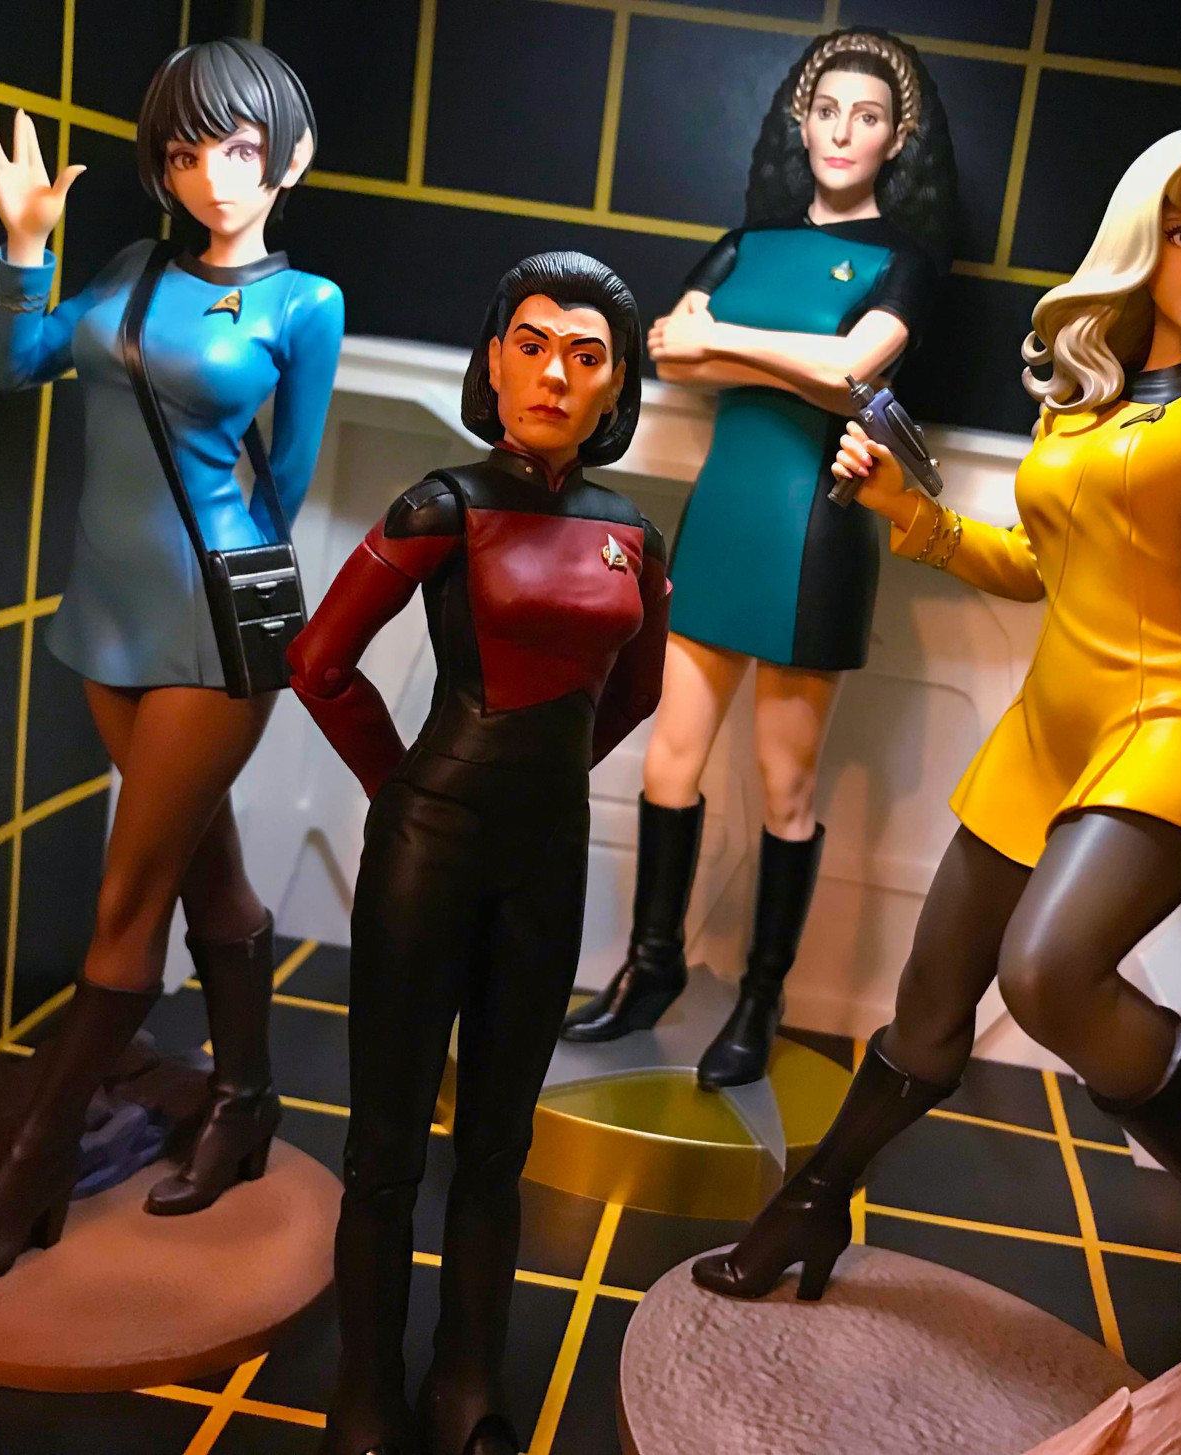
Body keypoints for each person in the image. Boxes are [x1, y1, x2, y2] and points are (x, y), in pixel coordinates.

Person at [693, 127, 1181, 1417]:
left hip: (1179, 721)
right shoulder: (1086, 384)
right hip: (1049, 731)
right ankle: (810, 1208)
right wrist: (909, 517)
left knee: (1049, 972)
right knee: (924, 1014)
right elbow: (1035, 565)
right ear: (1141, 235)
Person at [0, 39, 342, 1288]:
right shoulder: (126, 269)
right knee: (201, 865)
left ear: (287, 159)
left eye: (239, 148)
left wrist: (239, 594)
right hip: (105, 611)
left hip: (213, 624)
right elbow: (13, 366)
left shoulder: (302, 303)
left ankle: (36, 1164)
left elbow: (287, 480)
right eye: (183, 151)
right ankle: (246, 1100)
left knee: (126, 902)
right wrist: (25, 246)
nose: (212, 176)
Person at [288, 253, 668, 1455]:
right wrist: (402, 789)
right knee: (385, 1144)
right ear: (493, 360)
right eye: (532, 344)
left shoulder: (633, 534)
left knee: (501, 1145)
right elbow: (318, 663)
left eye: (586, 355)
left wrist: (541, 786)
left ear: (617, 386)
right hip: (430, 849)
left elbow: (639, 690)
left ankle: (466, 1386)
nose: (555, 373)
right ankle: (363, 1396)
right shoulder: (439, 504)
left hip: (546, 855)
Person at [562, 27, 960, 1091]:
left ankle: (759, 996)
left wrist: (734, 345)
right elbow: (664, 348)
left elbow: (849, 374)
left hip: (817, 527)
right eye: (826, 111)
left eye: (866, 116)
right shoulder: (746, 240)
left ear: (895, 138)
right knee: (668, 761)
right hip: (727, 511)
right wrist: (795, 362)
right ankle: (651, 968)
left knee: (784, 784)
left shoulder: (907, 262)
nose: (842, 132)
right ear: (800, 121)